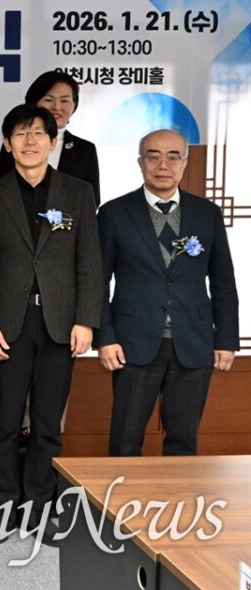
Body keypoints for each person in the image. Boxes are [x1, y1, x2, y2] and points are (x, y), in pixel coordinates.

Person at [0, 105, 102, 544]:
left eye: (37, 134)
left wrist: (86, 320)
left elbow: (89, 260)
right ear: (7, 143)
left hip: (60, 324)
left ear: (53, 141)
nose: (29, 142)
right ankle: (1, 508)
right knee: (4, 424)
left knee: (48, 425)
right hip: (8, 324)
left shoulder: (78, 193)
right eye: (20, 134)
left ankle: (39, 509)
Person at [98, 129, 238, 456]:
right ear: (140, 162)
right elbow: (98, 281)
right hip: (132, 343)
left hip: (194, 341)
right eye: (154, 156)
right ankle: (121, 492)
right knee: (125, 441)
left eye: (173, 157)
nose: (163, 165)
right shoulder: (114, 213)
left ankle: (178, 493)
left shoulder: (207, 213)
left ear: (185, 163)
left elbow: (223, 280)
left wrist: (226, 338)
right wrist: (105, 337)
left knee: (183, 443)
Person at [0, 71, 101, 207]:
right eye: (49, 100)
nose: (57, 107)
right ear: (34, 102)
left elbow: (91, 200)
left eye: (65, 100)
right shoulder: (17, 143)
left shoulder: (85, 149)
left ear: (74, 104)